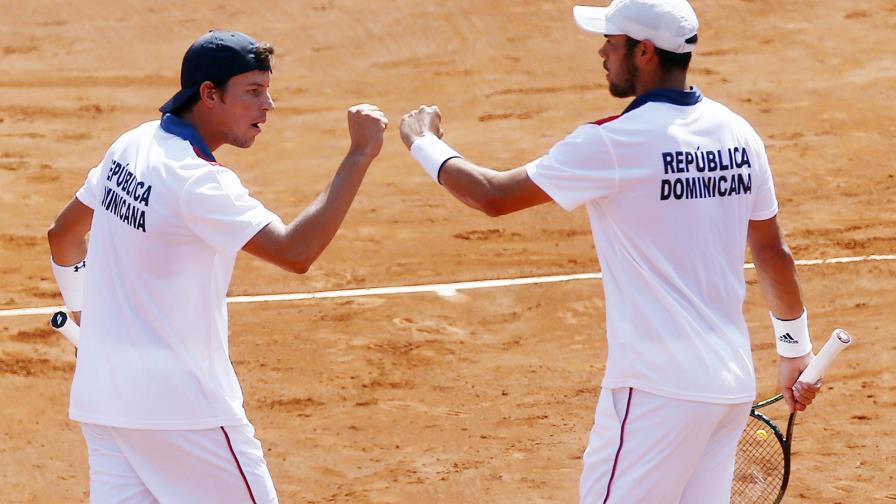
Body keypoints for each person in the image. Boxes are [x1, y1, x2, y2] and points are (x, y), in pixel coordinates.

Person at [399, 1, 821, 502]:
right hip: (727, 389)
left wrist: (422, 142)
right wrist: (795, 349)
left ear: (644, 52)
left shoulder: (614, 143)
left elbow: (491, 195)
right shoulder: (739, 134)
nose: (602, 51)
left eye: (612, 42)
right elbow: (774, 254)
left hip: (655, 391)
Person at [47, 30, 388, 503]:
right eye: (252, 92)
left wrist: (85, 313)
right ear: (209, 94)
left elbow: (62, 236)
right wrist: (359, 155)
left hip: (105, 397)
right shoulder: (199, 183)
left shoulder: (130, 144)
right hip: (186, 411)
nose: (267, 105)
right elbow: (296, 251)